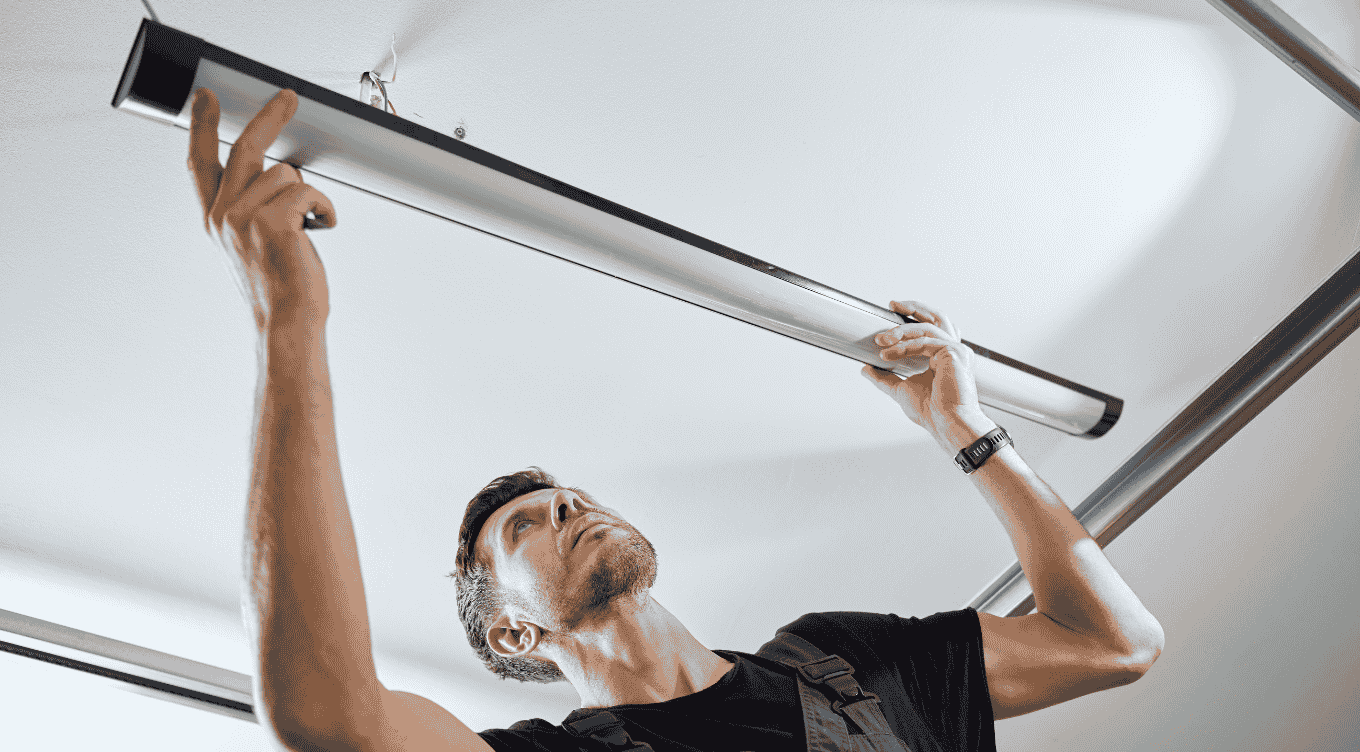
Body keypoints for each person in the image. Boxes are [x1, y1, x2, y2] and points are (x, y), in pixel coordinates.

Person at [187, 87, 1165, 752]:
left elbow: (1114, 640)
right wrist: (290, 321)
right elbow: (330, 713)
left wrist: (968, 430)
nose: (566, 503)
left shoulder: (843, 661)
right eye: (526, 524)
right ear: (515, 634)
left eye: (567, 493)